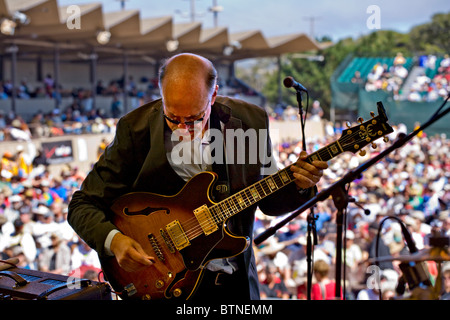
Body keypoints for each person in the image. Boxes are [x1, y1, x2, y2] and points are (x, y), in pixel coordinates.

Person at [68, 53, 328, 300]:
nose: (182, 129)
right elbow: (82, 205)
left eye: (193, 119)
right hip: (164, 284)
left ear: (213, 95)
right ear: (161, 95)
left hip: (234, 286)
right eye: (172, 118)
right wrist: (114, 241)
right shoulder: (134, 129)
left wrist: (300, 186)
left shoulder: (250, 121)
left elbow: (269, 203)